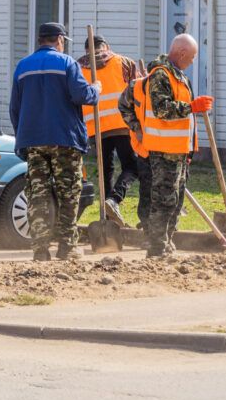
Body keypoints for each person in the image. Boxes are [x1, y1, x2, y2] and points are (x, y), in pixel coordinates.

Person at [10, 23, 100, 261]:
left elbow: (15, 109)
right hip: (64, 139)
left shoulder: (22, 66)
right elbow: (82, 95)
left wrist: (22, 137)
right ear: (59, 40)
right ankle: (67, 246)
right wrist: (96, 89)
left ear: (40, 40)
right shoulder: (67, 63)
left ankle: (40, 248)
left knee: (37, 193)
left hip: (33, 140)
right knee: (68, 193)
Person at [140, 34, 213, 258]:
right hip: (164, 151)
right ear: (181, 53)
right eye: (191, 57)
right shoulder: (161, 74)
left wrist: (189, 148)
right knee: (164, 200)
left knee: (176, 200)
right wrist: (192, 106)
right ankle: (156, 247)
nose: (192, 62)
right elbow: (162, 109)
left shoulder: (178, 76)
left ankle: (167, 242)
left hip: (179, 150)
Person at [78, 34, 145, 227]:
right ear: (106, 46)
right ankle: (114, 200)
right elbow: (139, 90)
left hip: (96, 127)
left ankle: (107, 216)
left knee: (105, 170)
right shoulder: (124, 63)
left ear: (87, 50)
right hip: (122, 124)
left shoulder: (79, 66)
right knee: (132, 166)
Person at [119, 74, 153, 238]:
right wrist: (136, 127)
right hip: (146, 148)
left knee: (169, 192)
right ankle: (148, 230)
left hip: (170, 150)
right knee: (147, 188)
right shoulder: (137, 86)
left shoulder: (177, 84)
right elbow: (123, 105)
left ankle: (167, 229)